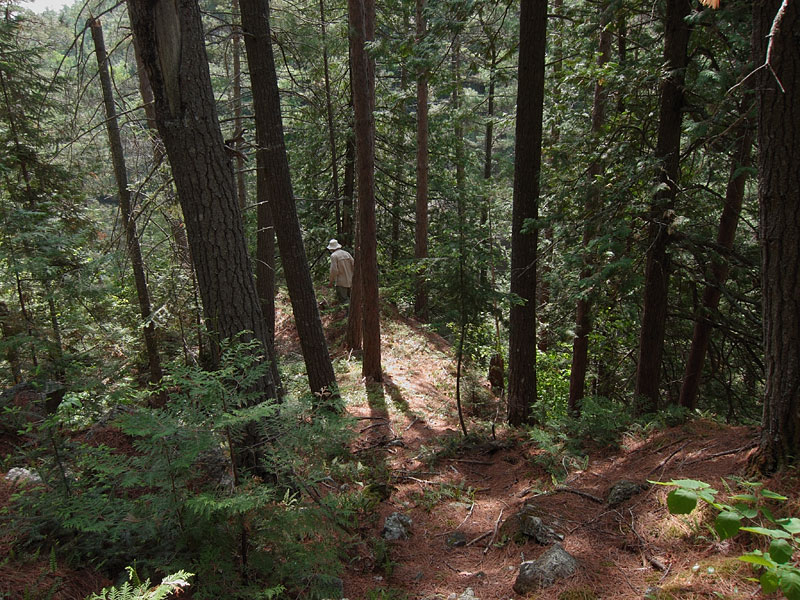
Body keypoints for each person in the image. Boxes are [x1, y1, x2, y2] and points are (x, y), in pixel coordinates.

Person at [327, 239, 354, 305]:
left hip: (341, 282)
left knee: (344, 301)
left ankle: (348, 314)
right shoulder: (346, 253)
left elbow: (334, 270)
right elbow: (354, 265)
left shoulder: (334, 256)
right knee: (352, 299)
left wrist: (331, 282)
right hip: (351, 280)